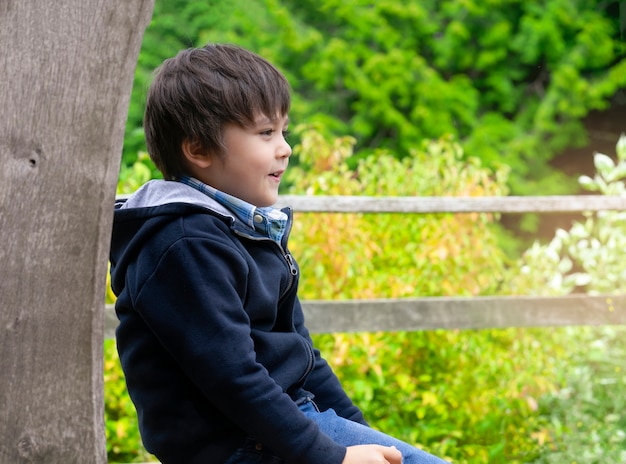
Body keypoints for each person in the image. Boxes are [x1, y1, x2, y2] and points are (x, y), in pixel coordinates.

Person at [109, 43, 449, 464]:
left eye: (283, 131)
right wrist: (333, 458)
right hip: (238, 441)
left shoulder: (246, 230)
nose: (285, 147)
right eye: (266, 133)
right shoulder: (185, 243)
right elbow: (233, 378)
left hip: (280, 425)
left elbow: (302, 355)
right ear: (198, 150)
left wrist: (359, 434)